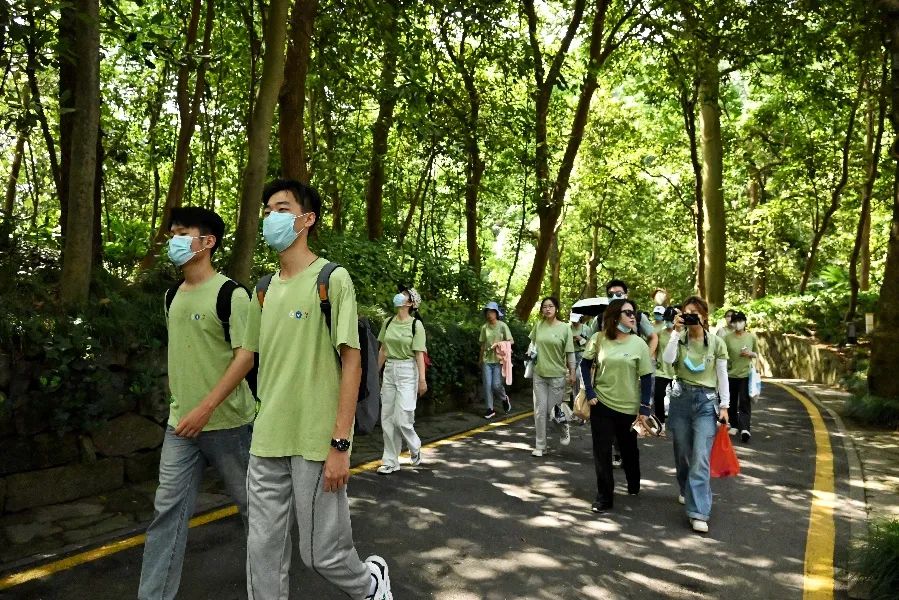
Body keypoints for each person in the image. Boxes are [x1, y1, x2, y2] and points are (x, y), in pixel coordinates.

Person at [240, 179, 392, 600]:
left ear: (306, 219)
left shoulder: (331, 279)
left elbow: (353, 360)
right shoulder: (263, 290)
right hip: (266, 438)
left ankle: (370, 585)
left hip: (315, 440)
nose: (271, 216)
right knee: (261, 552)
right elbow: (248, 356)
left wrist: (340, 443)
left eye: (282, 208)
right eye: (268, 209)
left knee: (320, 553)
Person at [138, 207, 256, 600]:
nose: (173, 239)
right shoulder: (172, 295)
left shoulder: (232, 294)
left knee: (255, 514)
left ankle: (268, 588)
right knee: (166, 516)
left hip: (230, 425)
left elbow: (245, 356)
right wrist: (182, 402)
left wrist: (206, 407)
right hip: (181, 427)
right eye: (172, 233)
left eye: (182, 233)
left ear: (207, 242)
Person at [662, 296, 730, 534]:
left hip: (706, 402)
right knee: (682, 453)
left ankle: (699, 511)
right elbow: (667, 361)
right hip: (680, 399)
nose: (690, 316)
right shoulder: (678, 339)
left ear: (704, 316)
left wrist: (725, 406)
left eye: (694, 313)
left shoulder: (716, 343)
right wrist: (674, 331)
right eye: (686, 313)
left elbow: (722, 375)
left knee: (701, 457)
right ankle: (685, 488)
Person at [580, 299, 654, 513]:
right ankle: (604, 497)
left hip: (628, 408)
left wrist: (644, 408)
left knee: (628, 449)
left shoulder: (638, 343)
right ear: (614, 317)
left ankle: (633, 481)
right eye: (628, 312)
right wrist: (590, 391)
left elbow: (647, 377)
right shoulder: (598, 339)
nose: (633, 317)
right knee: (601, 452)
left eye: (634, 313)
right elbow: (585, 364)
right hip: (601, 404)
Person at [605, 279, 658, 467]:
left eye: (619, 293)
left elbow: (653, 337)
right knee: (610, 415)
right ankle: (616, 450)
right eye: (610, 294)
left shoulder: (637, 315)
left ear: (626, 294)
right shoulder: (601, 318)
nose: (614, 297)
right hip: (610, 375)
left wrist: (646, 356)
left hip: (634, 373)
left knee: (630, 414)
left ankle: (626, 448)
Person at [377, 287, 427, 474]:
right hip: (390, 369)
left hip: (408, 370)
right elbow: (383, 349)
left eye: (405, 295)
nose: (400, 296)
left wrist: (422, 380)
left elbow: (419, 354)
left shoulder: (416, 325)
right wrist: (376, 373)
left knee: (403, 418)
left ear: (410, 303)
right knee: (387, 417)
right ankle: (390, 461)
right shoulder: (388, 322)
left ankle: (415, 447)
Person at [529, 297, 576, 457]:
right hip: (539, 374)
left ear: (556, 309)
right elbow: (533, 346)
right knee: (539, 411)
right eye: (544, 307)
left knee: (553, 412)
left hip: (557, 375)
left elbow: (570, 353)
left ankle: (563, 428)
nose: (547, 309)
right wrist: (530, 356)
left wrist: (573, 372)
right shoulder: (538, 326)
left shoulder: (565, 328)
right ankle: (541, 446)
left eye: (550, 306)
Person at [723, 311, 759, 443]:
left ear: (745, 322)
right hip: (730, 374)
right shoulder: (727, 338)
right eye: (735, 321)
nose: (738, 324)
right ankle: (734, 425)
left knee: (744, 401)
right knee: (731, 401)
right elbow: (722, 355)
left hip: (746, 374)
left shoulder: (751, 337)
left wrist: (751, 354)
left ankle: (745, 429)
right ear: (732, 323)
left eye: (740, 321)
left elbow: (757, 354)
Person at [480, 301, 513, 419]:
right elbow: (483, 345)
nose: (489, 314)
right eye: (487, 312)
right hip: (486, 361)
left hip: (499, 361)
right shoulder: (484, 327)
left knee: (496, 385)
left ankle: (504, 398)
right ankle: (490, 409)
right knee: (487, 385)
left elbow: (511, 341)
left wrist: (499, 344)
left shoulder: (502, 326)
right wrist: (480, 360)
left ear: (496, 313)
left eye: (491, 312)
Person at [652, 305, 677, 434]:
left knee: (677, 398)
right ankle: (660, 423)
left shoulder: (681, 334)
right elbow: (654, 350)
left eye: (671, 320)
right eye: (666, 320)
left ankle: (677, 423)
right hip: (661, 370)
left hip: (676, 372)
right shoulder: (659, 333)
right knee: (658, 395)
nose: (668, 323)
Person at [570, 313, 593, 401]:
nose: (574, 322)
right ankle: (576, 401)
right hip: (571, 355)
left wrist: (581, 339)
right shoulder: (568, 329)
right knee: (573, 380)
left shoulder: (586, 329)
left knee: (579, 376)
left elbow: (591, 345)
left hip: (583, 355)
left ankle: (583, 399)